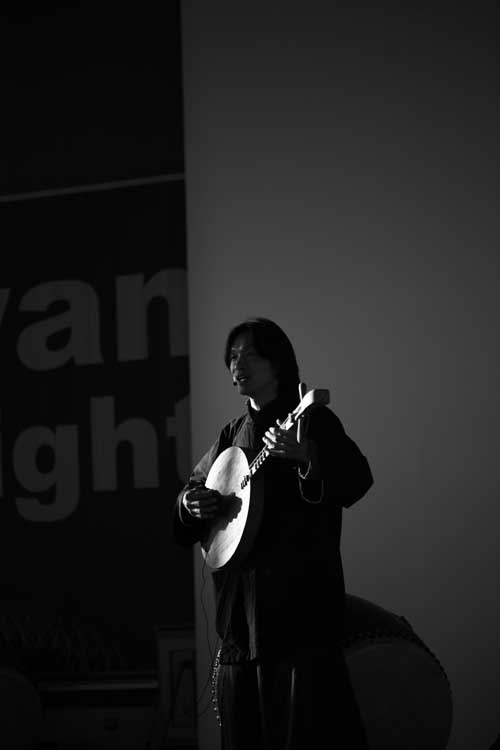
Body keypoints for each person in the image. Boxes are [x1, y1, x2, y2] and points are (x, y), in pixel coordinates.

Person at [173, 317, 374, 749]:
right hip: (239, 628)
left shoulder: (313, 420)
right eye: (232, 356)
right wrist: (190, 504)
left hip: (299, 623)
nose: (237, 364)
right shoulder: (230, 435)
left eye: (249, 354)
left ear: (278, 361)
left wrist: (308, 458)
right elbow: (193, 490)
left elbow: (358, 479)